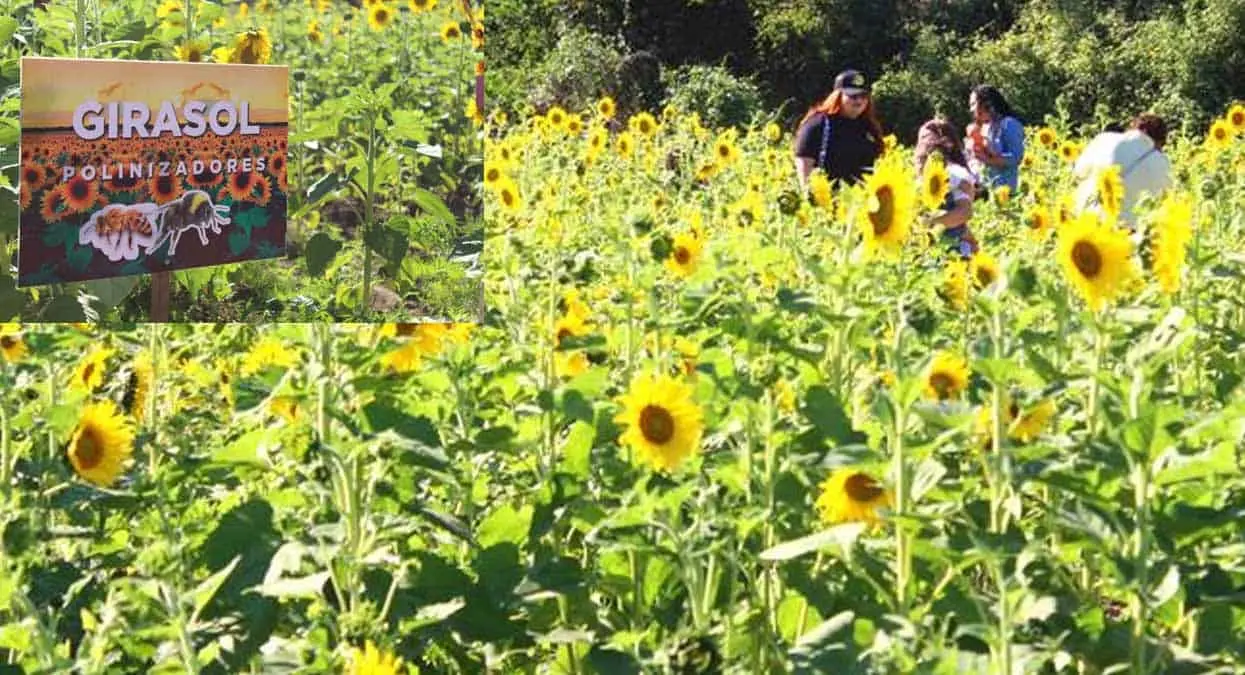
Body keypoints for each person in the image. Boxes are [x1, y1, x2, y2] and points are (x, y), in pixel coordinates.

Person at [1072, 112, 1171, 231]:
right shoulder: (1161, 162)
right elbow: (1165, 203)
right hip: (1128, 233)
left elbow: (1078, 172)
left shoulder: (1104, 139)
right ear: (1159, 141)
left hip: (1089, 221)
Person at [792, 69, 885, 195]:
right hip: (829, 201)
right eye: (853, 96)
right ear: (837, 96)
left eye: (863, 96)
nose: (859, 101)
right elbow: (804, 160)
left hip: (863, 203)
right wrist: (809, 195)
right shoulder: (818, 124)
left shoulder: (868, 127)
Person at [914, 118, 979, 259]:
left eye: (926, 139)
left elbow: (964, 212)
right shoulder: (926, 174)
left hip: (952, 251)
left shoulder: (953, 172)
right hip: (932, 248)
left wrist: (930, 224)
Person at [965, 85, 1025, 195]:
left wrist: (987, 159)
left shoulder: (1009, 124)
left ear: (987, 103)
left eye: (973, 104)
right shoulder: (985, 126)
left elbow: (1015, 158)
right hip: (983, 191)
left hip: (1004, 194)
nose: (971, 109)